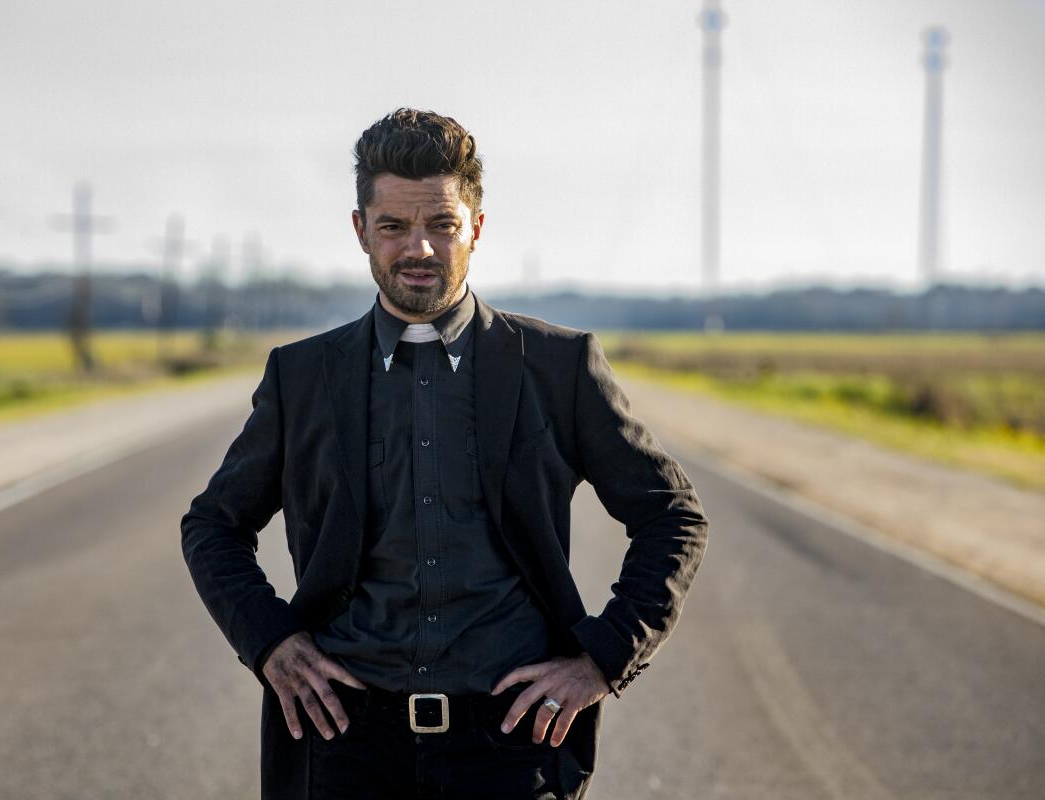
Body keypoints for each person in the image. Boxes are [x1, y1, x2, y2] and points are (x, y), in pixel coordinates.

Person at [181, 108, 709, 799]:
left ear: (477, 229)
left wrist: (602, 660)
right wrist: (270, 641)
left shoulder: (558, 367)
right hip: (341, 746)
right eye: (395, 226)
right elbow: (213, 525)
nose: (419, 249)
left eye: (442, 225)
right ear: (361, 230)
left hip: (511, 748)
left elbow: (673, 516)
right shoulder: (302, 376)